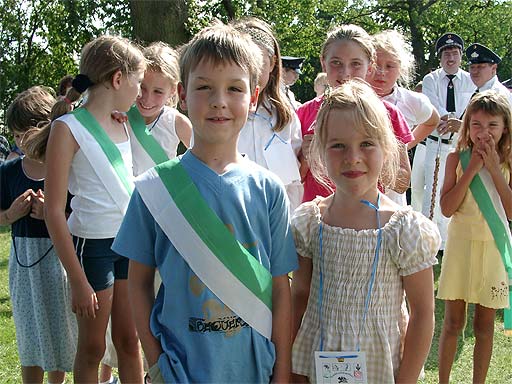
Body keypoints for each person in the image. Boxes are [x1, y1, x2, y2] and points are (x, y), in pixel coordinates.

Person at [113, 23, 298, 383]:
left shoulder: (269, 190)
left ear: (254, 95)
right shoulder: (154, 188)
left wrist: (283, 370)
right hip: (180, 370)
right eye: (204, 87)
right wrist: (155, 362)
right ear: (182, 95)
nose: (219, 101)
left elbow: (280, 287)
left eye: (234, 88)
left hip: (254, 369)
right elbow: (137, 284)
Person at [290, 80, 441, 383]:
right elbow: (300, 296)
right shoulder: (310, 222)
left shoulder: (403, 229)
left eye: (367, 144)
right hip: (315, 365)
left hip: (381, 368)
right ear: (320, 149)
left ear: (387, 148)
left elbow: (423, 312)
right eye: (338, 145)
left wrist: (407, 380)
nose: (353, 157)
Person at [43, 35, 145, 383]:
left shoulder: (124, 123)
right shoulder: (67, 128)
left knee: (130, 341)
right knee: (92, 349)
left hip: (129, 244)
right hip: (93, 249)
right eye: (138, 83)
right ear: (118, 79)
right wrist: (77, 279)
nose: (140, 93)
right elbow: (55, 211)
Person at [0, 86, 77, 384]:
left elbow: (82, 216)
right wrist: (10, 215)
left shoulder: (69, 169)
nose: (21, 142)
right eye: (16, 136)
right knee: (29, 333)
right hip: (25, 266)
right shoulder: (8, 173)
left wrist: (54, 214)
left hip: (61, 260)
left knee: (61, 330)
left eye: (26, 134)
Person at [437, 90, 512, 383]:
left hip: (493, 247)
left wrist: (493, 169)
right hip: (460, 246)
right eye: (476, 125)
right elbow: (446, 208)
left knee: (485, 326)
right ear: (467, 126)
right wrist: (471, 170)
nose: (484, 133)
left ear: (505, 127)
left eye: (492, 125)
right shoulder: (456, 158)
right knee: (453, 322)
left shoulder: (508, 163)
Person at [297, 24, 413, 203]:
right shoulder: (303, 114)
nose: (345, 73)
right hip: (318, 219)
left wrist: (372, 155)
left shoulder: (388, 114)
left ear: (370, 67)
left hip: (368, 219)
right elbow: (292, 179)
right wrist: (307, 156)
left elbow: (403, 182)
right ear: (323, 63)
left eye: (355, 64)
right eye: (336, 63)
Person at [233, 18, 303, 211]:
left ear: (272, 63)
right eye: (242, 63)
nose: (250, 73)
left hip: (279, 217)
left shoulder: (285, 115)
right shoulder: (219, 114)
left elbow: (296, 175)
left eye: (258, 63)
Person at [415, 33, 474, 247]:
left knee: (456, 190)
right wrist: (449, 119)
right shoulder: (431, 80)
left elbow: (473, 108)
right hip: (436, 143)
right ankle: (427, 240)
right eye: (447, 53)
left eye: (455, 53)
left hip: (460, 143)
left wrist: (461, 124)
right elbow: (434, 107)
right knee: (432, 189)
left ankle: (448, 241)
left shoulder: (470, 80)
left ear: (460, 56)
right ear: (440, 57)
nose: (451, 58)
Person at [368, 30, 440, 205]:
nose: (382, 72)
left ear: (400, 68)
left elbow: (433, 120)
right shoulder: (352, 96)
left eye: (389, 66)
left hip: (392, 192)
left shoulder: (412, 101)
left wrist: (406, 144)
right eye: (376, 65)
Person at [127, 41, 192, 176]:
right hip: (126, 196)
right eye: (142, 87)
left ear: (173, 90)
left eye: (158, 92)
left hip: (162, 194)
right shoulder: (121, 115)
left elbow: (205, 158)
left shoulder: (176, 122)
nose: (147, 98)